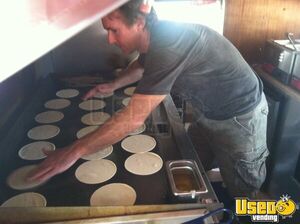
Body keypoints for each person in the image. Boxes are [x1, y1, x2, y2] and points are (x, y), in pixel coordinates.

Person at [28, 0, 269, 198]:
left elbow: (133, 120)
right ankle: (197, 203)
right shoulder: (158, 38)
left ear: (140, 23)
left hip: (240, 119)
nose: (110, 39)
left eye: (114, 30)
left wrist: (73, 151)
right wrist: (112, 85)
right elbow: (141, 66)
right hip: (209, 113)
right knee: (192, 166)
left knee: (244, 191)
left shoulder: (169, 43)